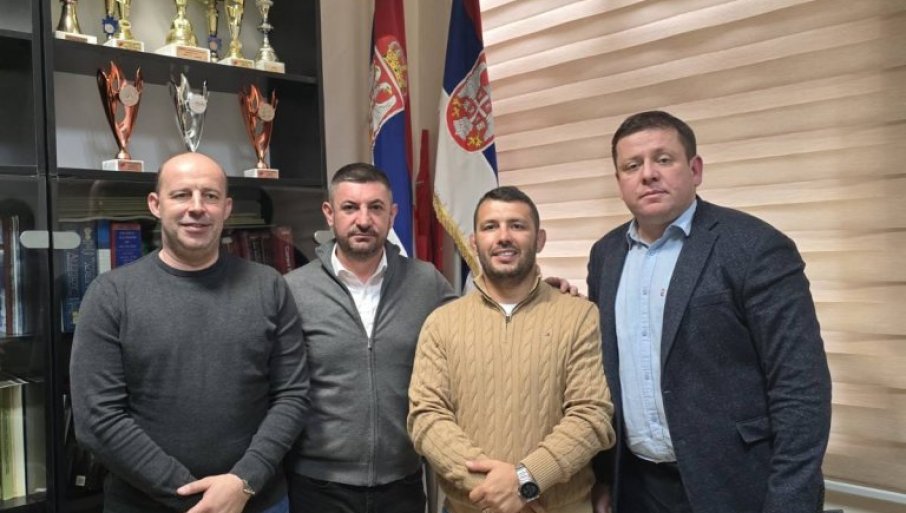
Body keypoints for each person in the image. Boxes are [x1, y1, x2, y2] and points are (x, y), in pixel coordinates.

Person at [586, 111, 832, 513]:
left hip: (736, 485)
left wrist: (791, 501)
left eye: (663, 159)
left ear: (695, 169)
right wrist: (604, 477)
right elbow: (606, 372)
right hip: (636, 486)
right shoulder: (606, 255)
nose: (648, 174)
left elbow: (801, 388)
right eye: (632, 166)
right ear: (619, 182)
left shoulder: (754, 246)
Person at [70, 152, 310, 513]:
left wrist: (243, 481)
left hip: (256, 499)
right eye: (181, 194)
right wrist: (198, 500)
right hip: (145, 505)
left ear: (226, 208)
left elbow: (292, 395)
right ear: (156, 204)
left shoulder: (269, 286)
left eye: (210, 196)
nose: (196, 208)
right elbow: (98, 420)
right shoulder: (110, 295)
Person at [408, 186, 616, 513]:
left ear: (540, 239)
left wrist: (525, 479)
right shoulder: (441, 324)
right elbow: (427, 418)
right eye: (490, 227)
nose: (503, 236)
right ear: (474, 241)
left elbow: (591, 416)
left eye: (517, 226)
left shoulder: (580, 316)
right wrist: (495, 489)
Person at [283, 162, 458, 513]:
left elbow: (478, 326)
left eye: (375, 207)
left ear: (392, 214)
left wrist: (536, 295)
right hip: (318, 487)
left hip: (402, 484)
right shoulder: (292, 289)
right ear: (329, 214)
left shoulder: (426, 282)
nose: (363, 220)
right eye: (350, 207)